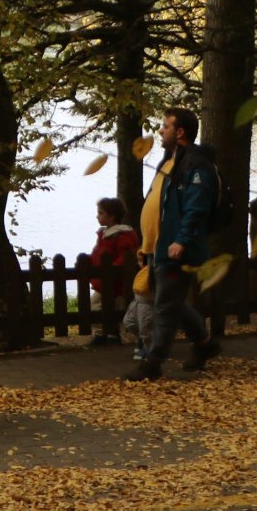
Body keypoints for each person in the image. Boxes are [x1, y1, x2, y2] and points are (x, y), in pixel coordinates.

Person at [125, 107, 223, 381]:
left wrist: (182, 239)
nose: (160, 131)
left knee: (165, 305)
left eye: (166, 126)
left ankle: (152, 364)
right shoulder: (170, 161)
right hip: (159, 245)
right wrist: (146, 245)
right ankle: (205, 344)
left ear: (180, 132)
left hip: (178, 247)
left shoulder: (196, 163)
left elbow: (196, 206)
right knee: (169, 301)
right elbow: (157, 203)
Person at [87, 197, 138, 346]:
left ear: (112, 216)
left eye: (101, 213)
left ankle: (112, 334)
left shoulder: (121, 235)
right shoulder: (104, 235)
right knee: (99, 306)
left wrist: (111, 272)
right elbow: (97, 254)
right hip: (103, 281)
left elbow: (125, 258)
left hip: (117, 283)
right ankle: (104, 332)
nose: (98, 216)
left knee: (114, 307)